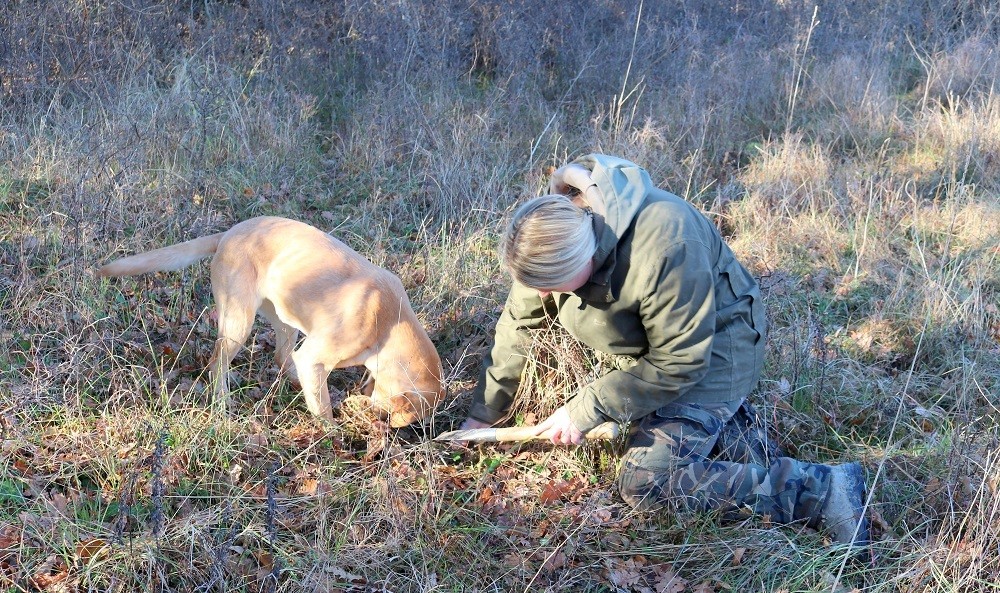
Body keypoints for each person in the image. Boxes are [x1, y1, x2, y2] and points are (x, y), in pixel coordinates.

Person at [460, 153, 870, 547]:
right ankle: (740, 439)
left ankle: (823, 492)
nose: (543, 294)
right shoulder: (547, 239)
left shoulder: (665, 241)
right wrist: (484, 414)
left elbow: (680, 360)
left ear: (584, 255)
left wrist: (586, 408)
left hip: (715, 352)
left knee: (647, 482)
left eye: (552, 283)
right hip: (655, 353)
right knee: (729, 452)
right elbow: (519, 326)